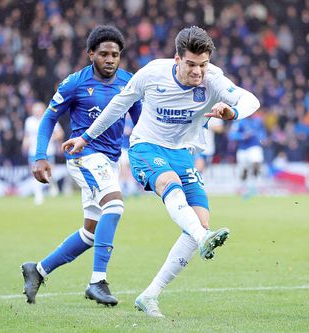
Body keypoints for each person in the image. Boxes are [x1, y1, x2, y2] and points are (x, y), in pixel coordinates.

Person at [62, 26, 260, 318]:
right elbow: (118, 105)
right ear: (176, 58)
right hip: (147, 147)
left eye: (203, 65)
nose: (197, 72)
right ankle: (203, 238)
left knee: (200, 223)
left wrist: (233, 113)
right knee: (173, 190)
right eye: (191, 64)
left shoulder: (213, 79)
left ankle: (150, 295)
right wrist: (85, 138)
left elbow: (250, 100)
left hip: (183, 154)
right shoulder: (152, 73)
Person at [21, 26, 141, 306]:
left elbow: (141, 121)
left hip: (110, 161)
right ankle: (98, 281)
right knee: (115, 205)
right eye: (104, 54)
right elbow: (48, 119)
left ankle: (37, 270)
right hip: (83, 156)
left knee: (90, 232)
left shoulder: (129, 83)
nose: (110, 59)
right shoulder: (74, 83)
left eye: (115, 55)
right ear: (91, 54)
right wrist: (40, 155)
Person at [22, 101, 64, 205]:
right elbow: (27, 136)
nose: (37, 112)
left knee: (49, 173)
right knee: (34, 173)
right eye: (35, 110)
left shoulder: (50, 119)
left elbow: (60, 133)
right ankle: (38, 195)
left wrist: (49, 138)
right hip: (33, 152)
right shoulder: (29, 121)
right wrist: (25, 144)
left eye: (39, 110)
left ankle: (52, 185)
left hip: (48, 151)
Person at [228, 113, 266, 196]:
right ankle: (242, 187)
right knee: (243, 170)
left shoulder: (258, 120)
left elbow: (262, 131)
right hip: (243, 149)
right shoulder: (239, 122)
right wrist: (242, 136)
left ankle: (258, 185)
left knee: (256, 162)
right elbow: (231, 135)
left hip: (254, 147)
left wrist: (263, 138)